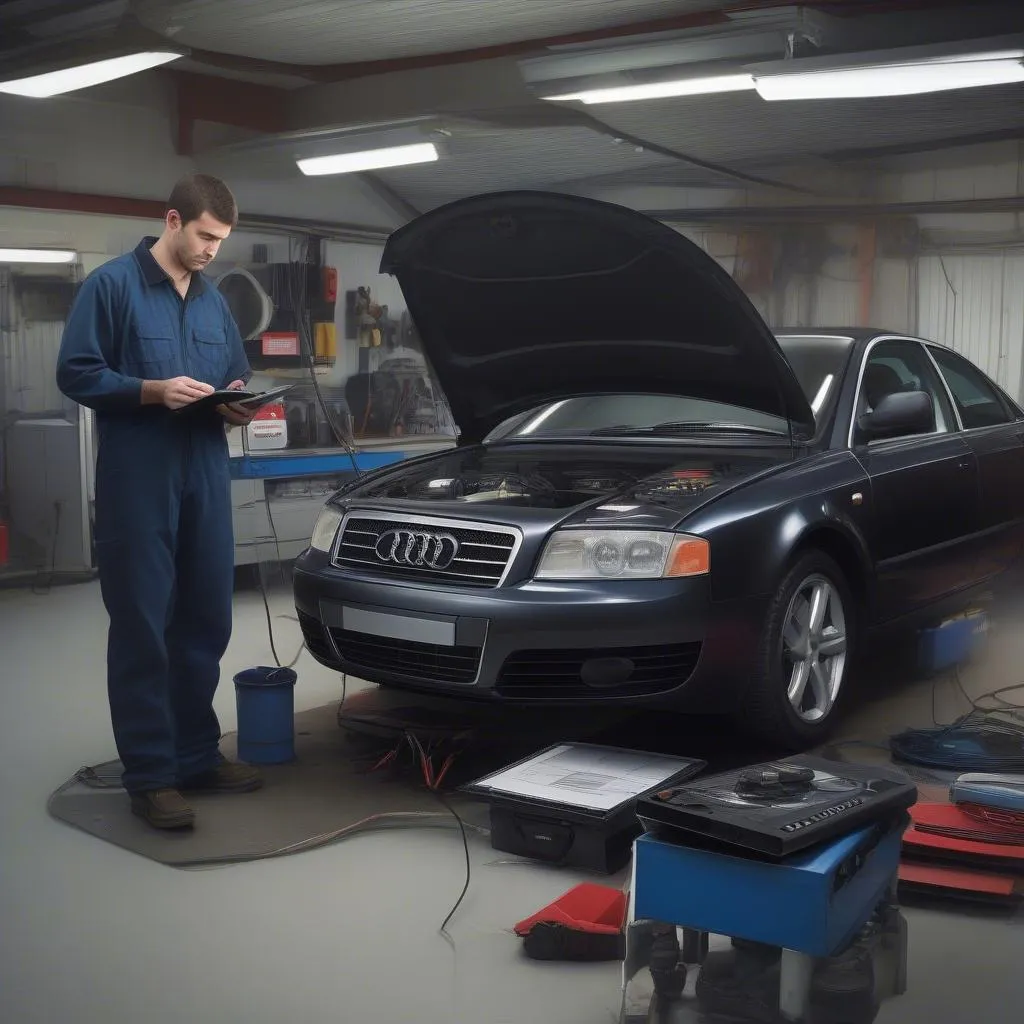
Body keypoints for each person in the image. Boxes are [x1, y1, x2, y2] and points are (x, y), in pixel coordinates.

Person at [56, 173, 262, 830]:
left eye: (221, 242)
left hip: (204, 467)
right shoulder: (111, 287)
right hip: (139, 476)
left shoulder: (214, 303)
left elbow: (234, 375)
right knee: (145, 623)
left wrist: (236, 408)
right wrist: (151, 390)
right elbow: (77, 372)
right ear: (173, 220)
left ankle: (197, 754)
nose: (212, 252)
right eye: (205, 237)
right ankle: (150, 774)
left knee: (205, 617)